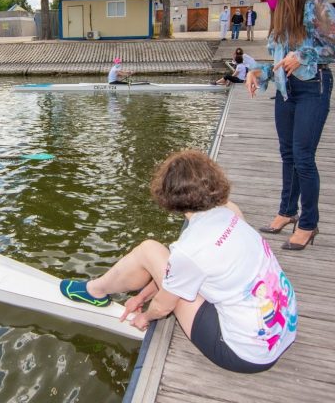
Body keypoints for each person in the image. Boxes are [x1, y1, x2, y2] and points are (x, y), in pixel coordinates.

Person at [59, 150, 297, 373]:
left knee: (149, 249)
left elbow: (164, 305)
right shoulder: (231, 212)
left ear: (169, 197)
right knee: (160, 259)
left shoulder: (191, 249)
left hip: (245, 354)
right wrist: (142, 296)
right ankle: (100, 288)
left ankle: (96, 290)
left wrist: (145, 316)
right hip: (284, 329)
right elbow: (180, 271)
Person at [244, 0, 335, 250]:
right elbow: (277, 62)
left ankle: (308, 224)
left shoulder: (318, 7)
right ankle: (287, 211)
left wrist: (303, 55)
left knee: (303, 156)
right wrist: (258, 73)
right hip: (286, 91)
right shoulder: (279, 16)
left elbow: (334, 49)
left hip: (314, 86)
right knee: (287, 154)